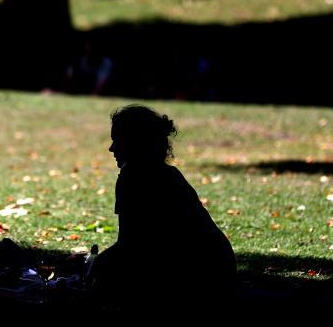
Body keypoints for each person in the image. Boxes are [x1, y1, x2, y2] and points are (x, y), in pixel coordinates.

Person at [88, 105, 236, 307]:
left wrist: (97, 264)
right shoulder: (169, 174)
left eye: (118, 141)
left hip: (199, 279)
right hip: (219, 269)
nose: (111, 149)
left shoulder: (132, 179)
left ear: (136, 144)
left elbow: (128, 245)